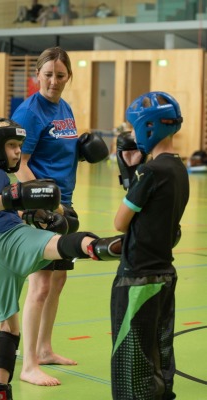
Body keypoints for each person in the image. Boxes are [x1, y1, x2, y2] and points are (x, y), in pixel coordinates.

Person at [0, 117, 122, 400]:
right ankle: (105, 246)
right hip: (7, 240)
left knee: (8, 326)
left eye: (19, 146)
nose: (17, 152)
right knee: (59, 244)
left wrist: (29, 213)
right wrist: (16, 193)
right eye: (12, 145)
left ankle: (0, 389)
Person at [11, 46, 109, 386]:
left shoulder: (63, 107)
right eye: (48, 74)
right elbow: (20, 165)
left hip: (64, 204)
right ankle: (29, 365)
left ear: (68, 77)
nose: (54, 81)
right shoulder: (29, 112)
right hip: (43, 209)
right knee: (40, 285)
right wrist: (45, 203)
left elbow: (58, 151)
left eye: (61, 75)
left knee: (58, 280)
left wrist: (80, 152)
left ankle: (46, 348)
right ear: (37, 75)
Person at [111, 91, 190, 400]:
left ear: (148, 128)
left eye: (133, 128)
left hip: (137, 276)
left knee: (133, 364)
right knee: (159, 354)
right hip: (164, 274)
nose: (130, 135)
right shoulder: (178, 168)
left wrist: (131, 173)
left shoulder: (151, 171)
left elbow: (120, 221)